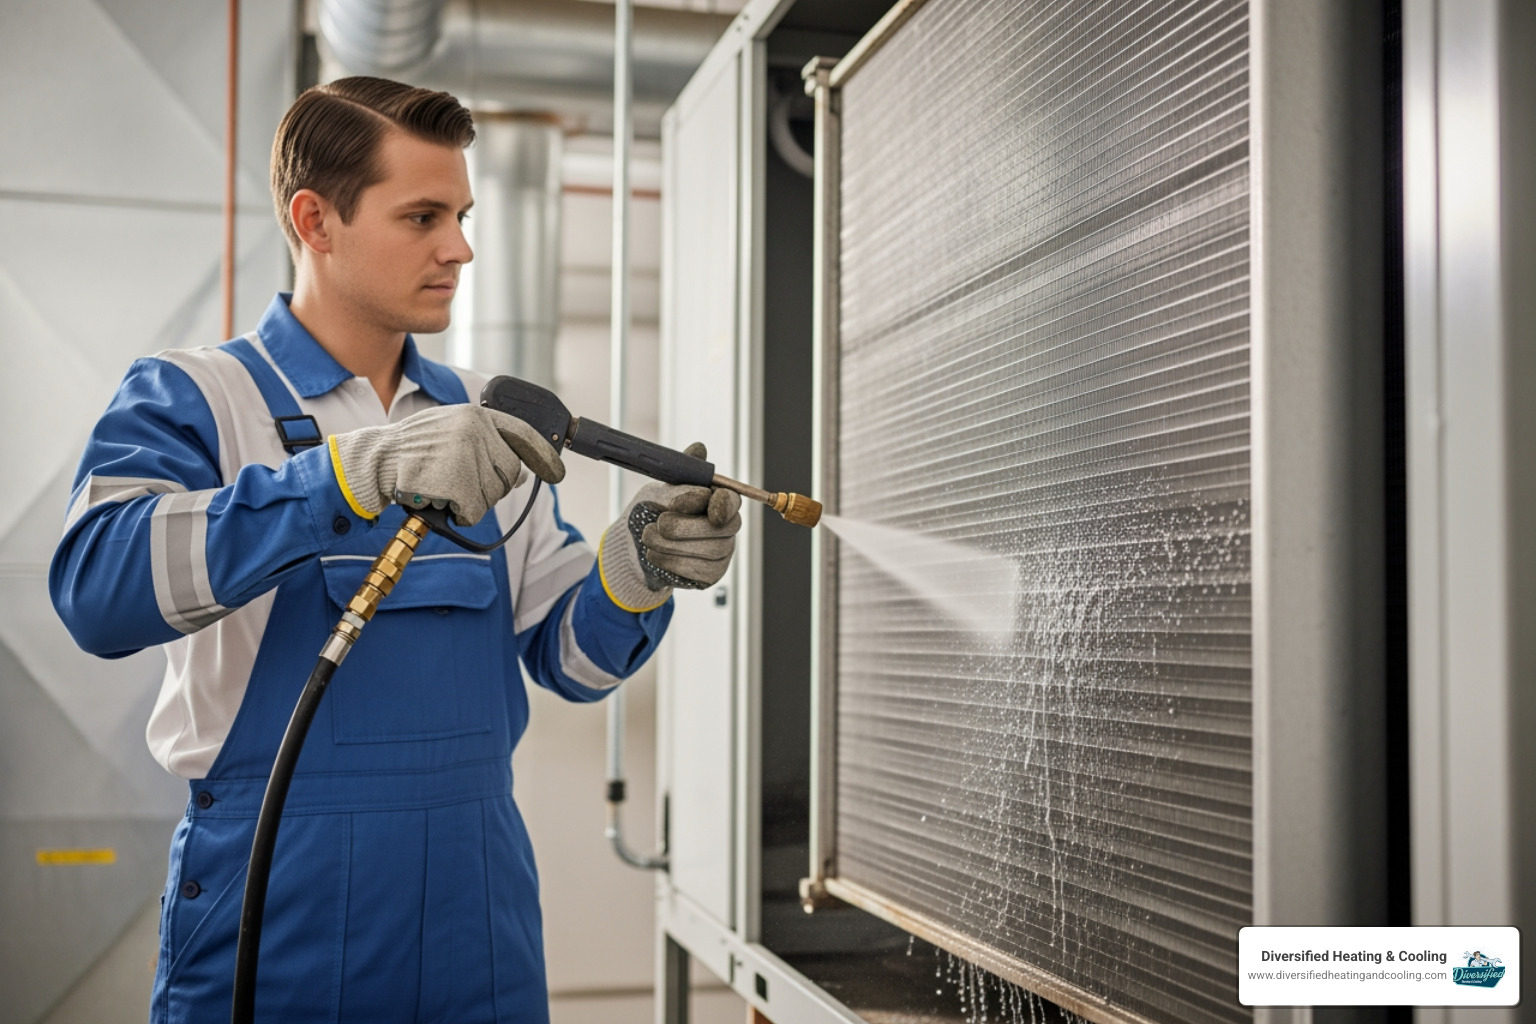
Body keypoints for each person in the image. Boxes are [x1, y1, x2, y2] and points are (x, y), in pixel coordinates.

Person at [49, 76, 739, 1023]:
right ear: (316, 220)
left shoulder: (487, 415)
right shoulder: (196, 398)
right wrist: (342, 478)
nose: (459, 246)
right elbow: (97, 587)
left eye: (459, 213)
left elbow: (569, 662)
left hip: (476, 900)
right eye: (422, 216)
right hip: (274, 891)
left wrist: (636, 571)